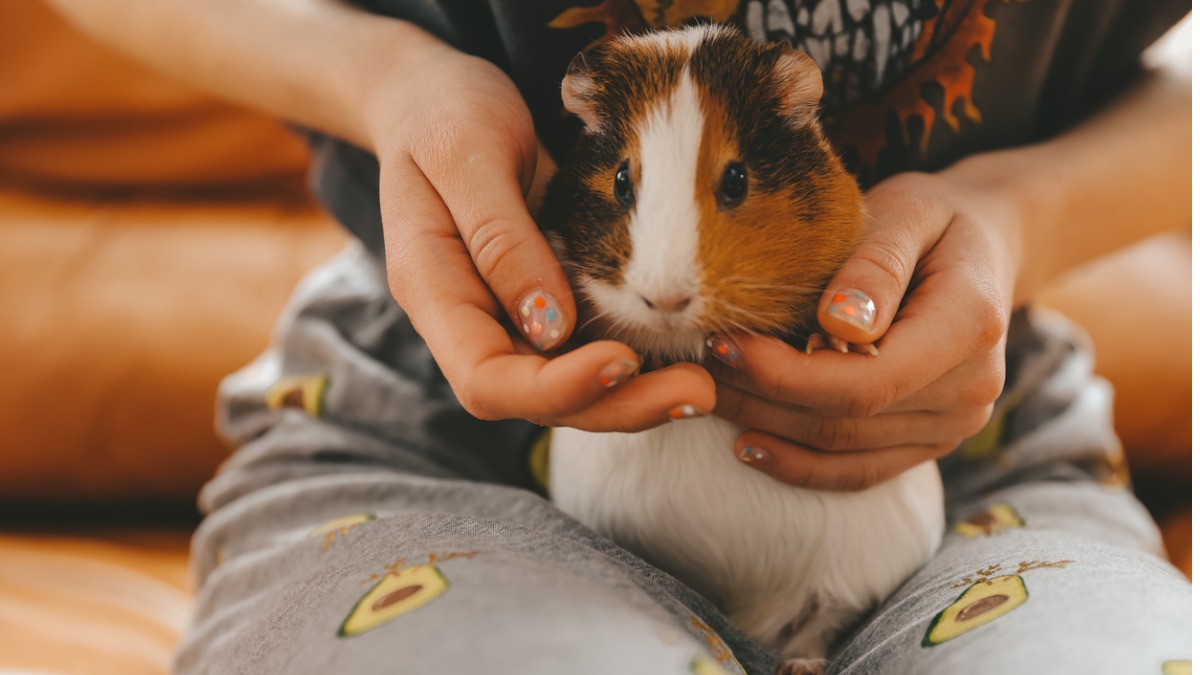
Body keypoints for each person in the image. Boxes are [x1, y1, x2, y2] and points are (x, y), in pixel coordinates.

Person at [45, 1, 1191, 673]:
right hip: (435, 431)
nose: (673, 282)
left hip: (970, 437)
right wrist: (391, 82)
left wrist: (1024, 212)